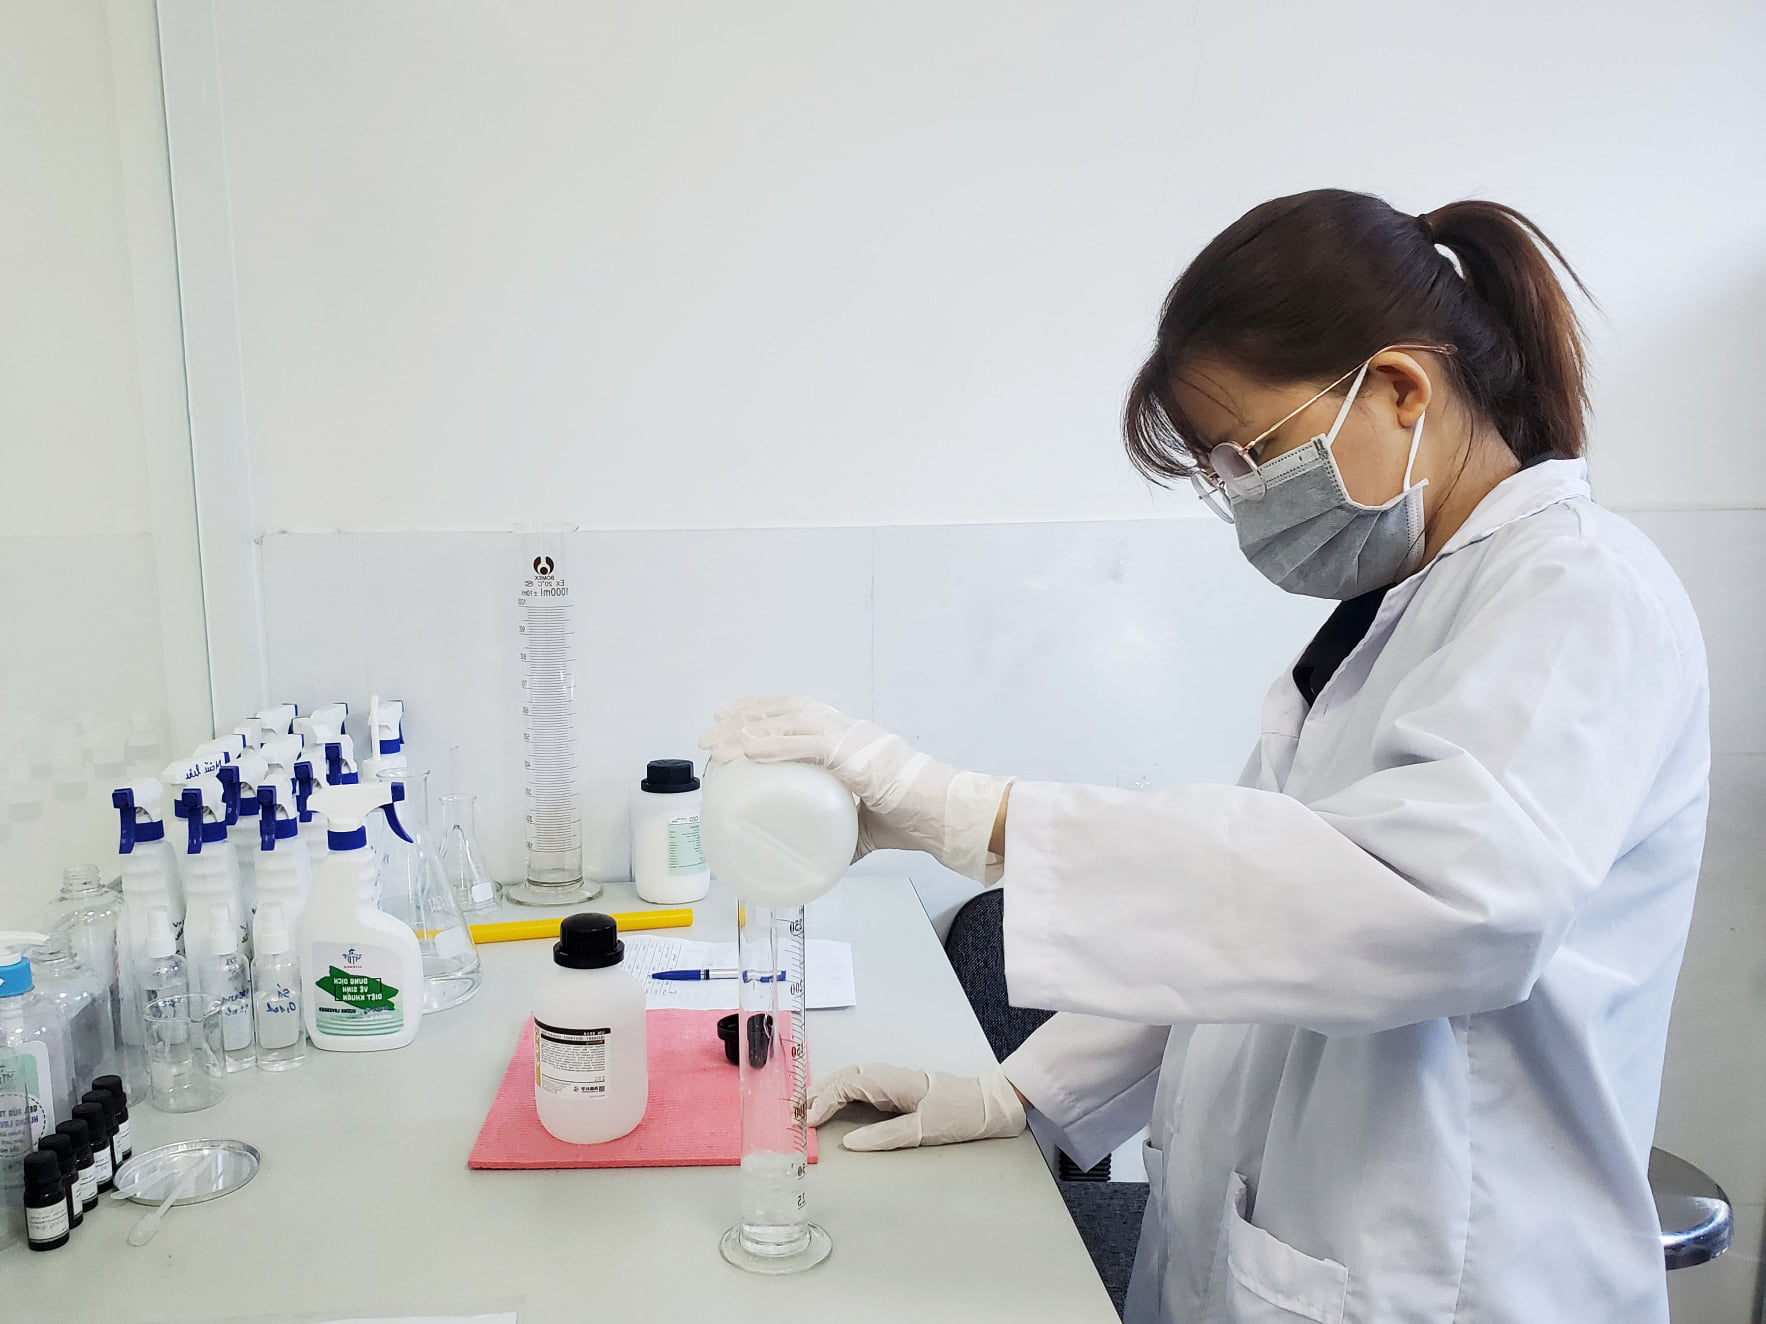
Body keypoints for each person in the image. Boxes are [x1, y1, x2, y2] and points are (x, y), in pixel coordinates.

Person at [700, 189, 1708, 1323]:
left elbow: (1441, 909)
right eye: (1221, 470)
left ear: (1399, 388)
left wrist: (980, 816)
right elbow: (1254, 929)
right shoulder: (1392, 620)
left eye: (1253, 452)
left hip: (1454, 1276)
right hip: (1299, 1249)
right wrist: (1019, 1092)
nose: (1241, 496)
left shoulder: (1578, 594)